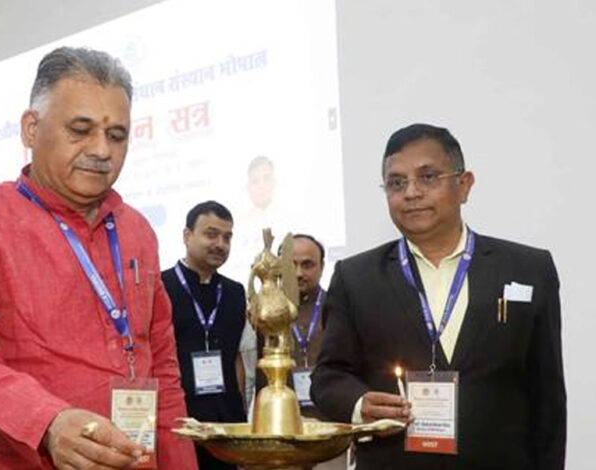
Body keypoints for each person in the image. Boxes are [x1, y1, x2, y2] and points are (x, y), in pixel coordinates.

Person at [0, 47, 197, 470]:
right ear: (31, 129)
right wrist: (47, 423)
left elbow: (163, 370)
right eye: (80, 130)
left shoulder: (137, 231)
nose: (101, 150)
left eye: (117, 135)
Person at [310, 123, 566, 470]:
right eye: (396, 183)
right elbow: (328, 377)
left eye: (428, 177)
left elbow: (548, 397)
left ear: (464, 185)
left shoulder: (528, 268)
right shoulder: (356, 277)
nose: (411, 192)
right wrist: (358, 403)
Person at [161, 201, 247, 470]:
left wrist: (241, 413)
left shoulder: (235, 292)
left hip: (227, 421)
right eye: (211, 234)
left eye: (227, 237)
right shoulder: (161, 286)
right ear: (187, 236)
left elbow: (235, 356)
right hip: (180, 419)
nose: (220, 244)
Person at [254, 234, 347, 470]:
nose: (298, 273)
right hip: (280, 428)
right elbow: (259, 378)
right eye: (291, 264)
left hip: (329, 429)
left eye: (307, 264)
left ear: (322, 266)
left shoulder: (340, 307)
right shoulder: (267, 312)